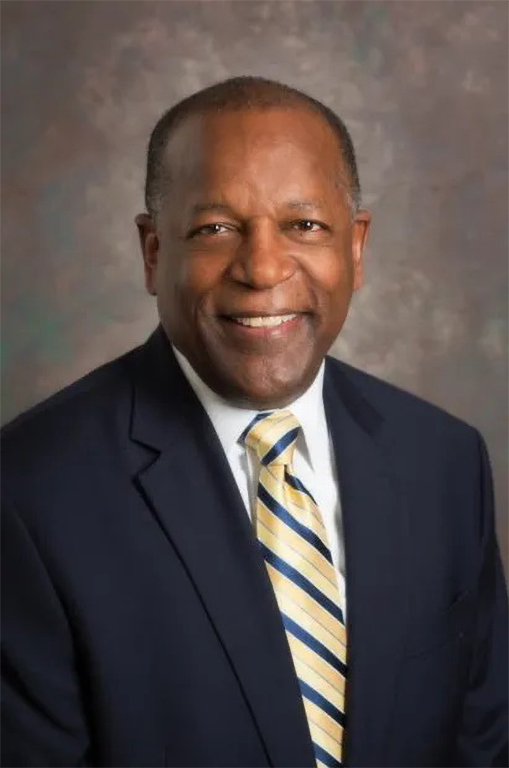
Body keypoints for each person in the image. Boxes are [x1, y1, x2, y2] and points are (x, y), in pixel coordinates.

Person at [1, 76, 507, 768]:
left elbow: (480, 744)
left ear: (354, 247)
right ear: (153, 253)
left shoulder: (443, 461)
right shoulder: (30, 493)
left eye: (304, 226)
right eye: (215, 228)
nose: (263, 267)